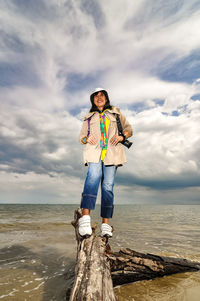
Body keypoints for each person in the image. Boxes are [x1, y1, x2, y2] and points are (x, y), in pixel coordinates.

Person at [78, 87, 133, 237]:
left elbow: (129, 129)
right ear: (93, 100)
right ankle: (85, 219)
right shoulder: (88, 118)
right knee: (93, 178)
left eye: (102, 95)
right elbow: (81, 137)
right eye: (96, 96)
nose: (99, 97)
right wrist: (86, 139)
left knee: (108, 187)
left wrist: (122, 137)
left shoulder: (116, 113)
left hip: (112, 155)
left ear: (106, 98)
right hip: (94, 154)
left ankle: (105, 225)